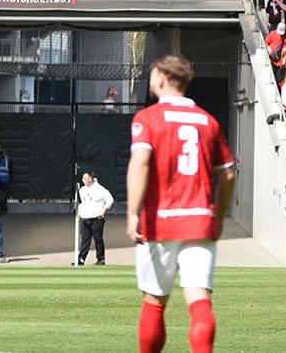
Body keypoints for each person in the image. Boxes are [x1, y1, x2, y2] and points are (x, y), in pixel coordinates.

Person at [127, 54, 236, 353]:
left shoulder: (147, 118)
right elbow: (227, 173)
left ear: (161, 78)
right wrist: (218, 216)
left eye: (151, 75)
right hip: (200, 219)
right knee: (199, 300)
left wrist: (132, 213)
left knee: (154, 302)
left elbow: (140, 163)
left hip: (160, 220)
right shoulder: (208, 121)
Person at [76, 170, 114, 265]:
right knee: (85, 240)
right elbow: (81, 203)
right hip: (85, 219)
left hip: (96, 219)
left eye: (85, 178)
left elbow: (110, 199)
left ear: (90, 179)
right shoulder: (82, 190)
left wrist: (104, 210)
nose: (83, 180)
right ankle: (81, 259)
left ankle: (101, 259)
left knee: (98, 239)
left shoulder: (100, 189)